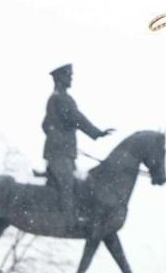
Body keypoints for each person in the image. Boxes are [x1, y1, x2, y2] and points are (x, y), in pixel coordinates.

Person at [40, 64, 114, 219]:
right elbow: (77, 118)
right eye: (69, 76)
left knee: (75, 184)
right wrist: (97, 133)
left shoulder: (55, 99)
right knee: (68, 184)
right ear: (60, 78)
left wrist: (58, 134)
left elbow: (46, 124)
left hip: (63, 152)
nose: (71, 79)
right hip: (59, 153)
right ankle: (67, 220)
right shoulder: (61, 99)